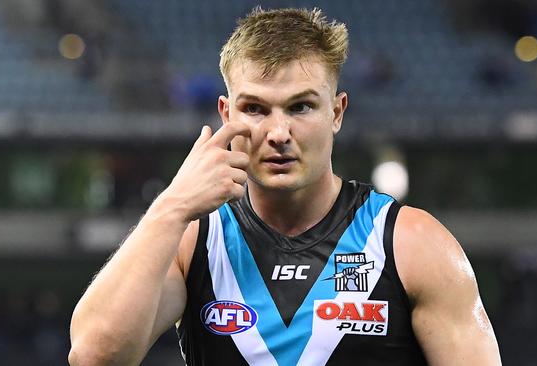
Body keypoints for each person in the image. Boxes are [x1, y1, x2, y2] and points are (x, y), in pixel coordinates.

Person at [68, 7, 502, 366]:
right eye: (255, 108)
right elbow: (94, 355)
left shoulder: (414, 244)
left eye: (301, 107)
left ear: (337, 112)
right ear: (225, 113)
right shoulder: (192, 239)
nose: (278, 132)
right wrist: (172, 207)